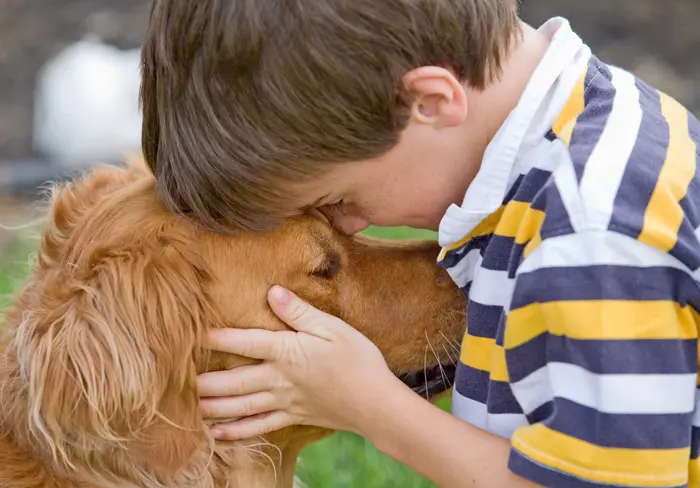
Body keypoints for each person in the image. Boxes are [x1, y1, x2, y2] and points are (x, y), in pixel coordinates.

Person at [139, 1, 700, 486]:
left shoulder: (590, 236)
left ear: (429, 103)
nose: (353, 225)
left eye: (339, 199)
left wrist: (374, 408)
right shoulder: (600, 127)